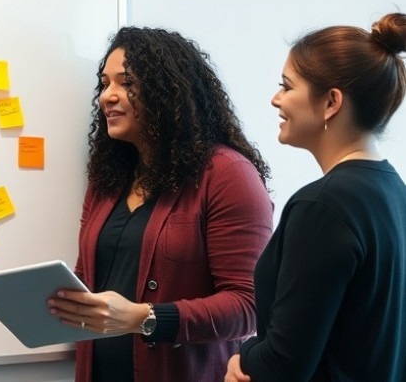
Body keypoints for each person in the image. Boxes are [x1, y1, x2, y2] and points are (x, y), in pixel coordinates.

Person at [48, 26, 274, 382]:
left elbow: (249, 305)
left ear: (167, 92)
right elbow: (88, 280)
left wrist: (144, 317)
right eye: (104, 83)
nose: (107, 96)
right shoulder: (108, 177)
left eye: (126, 83)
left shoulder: (227, 175)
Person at [225, 13, 406, 382]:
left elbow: (284, 364)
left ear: (331, 103)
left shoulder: (323, 206)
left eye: (287, 86)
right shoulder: (394, 191)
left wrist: (240, 359)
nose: (276, 99)